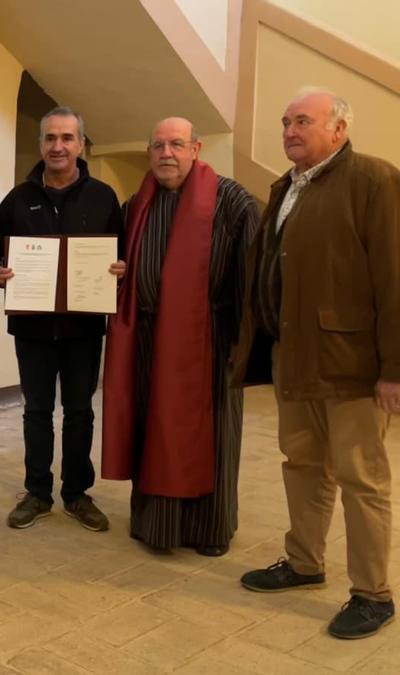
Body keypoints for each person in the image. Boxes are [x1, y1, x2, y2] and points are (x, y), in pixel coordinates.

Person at [233, 89, 400, 639]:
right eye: (286, 122)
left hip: (351, 363)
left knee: (361, 476)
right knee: (302, 462)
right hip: (294, 355)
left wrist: (394, 369)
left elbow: (395, 279)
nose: (289, 130)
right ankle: (305, 562)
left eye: (303, 121)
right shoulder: (286, 186)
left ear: (339, 128)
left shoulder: (374, 179)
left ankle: (373, 594)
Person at [102, 117, 259, 557]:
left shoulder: (231, 200)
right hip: (148, 339)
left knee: (211, 436)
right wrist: (117, 272)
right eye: (158, 146)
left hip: (210, 341)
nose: (166, 153)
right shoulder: (136, 205)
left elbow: (249, 277)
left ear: (196, 149)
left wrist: (242, 344)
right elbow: (119, 265)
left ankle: (210, 528)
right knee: (154, 431)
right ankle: (156, 525)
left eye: (176, 144)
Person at [0, 107, 124, 532]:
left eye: (66, 138)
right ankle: (38, 493)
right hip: (32, 327)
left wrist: (119, 269)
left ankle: (77, 493)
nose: (58, 146)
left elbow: (122, 253)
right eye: (50, 138)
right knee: (37, 411)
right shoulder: (17, 199)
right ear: (41, 144)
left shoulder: (103, 197)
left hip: (84, 326)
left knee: (80, 412)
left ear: (81, 144)